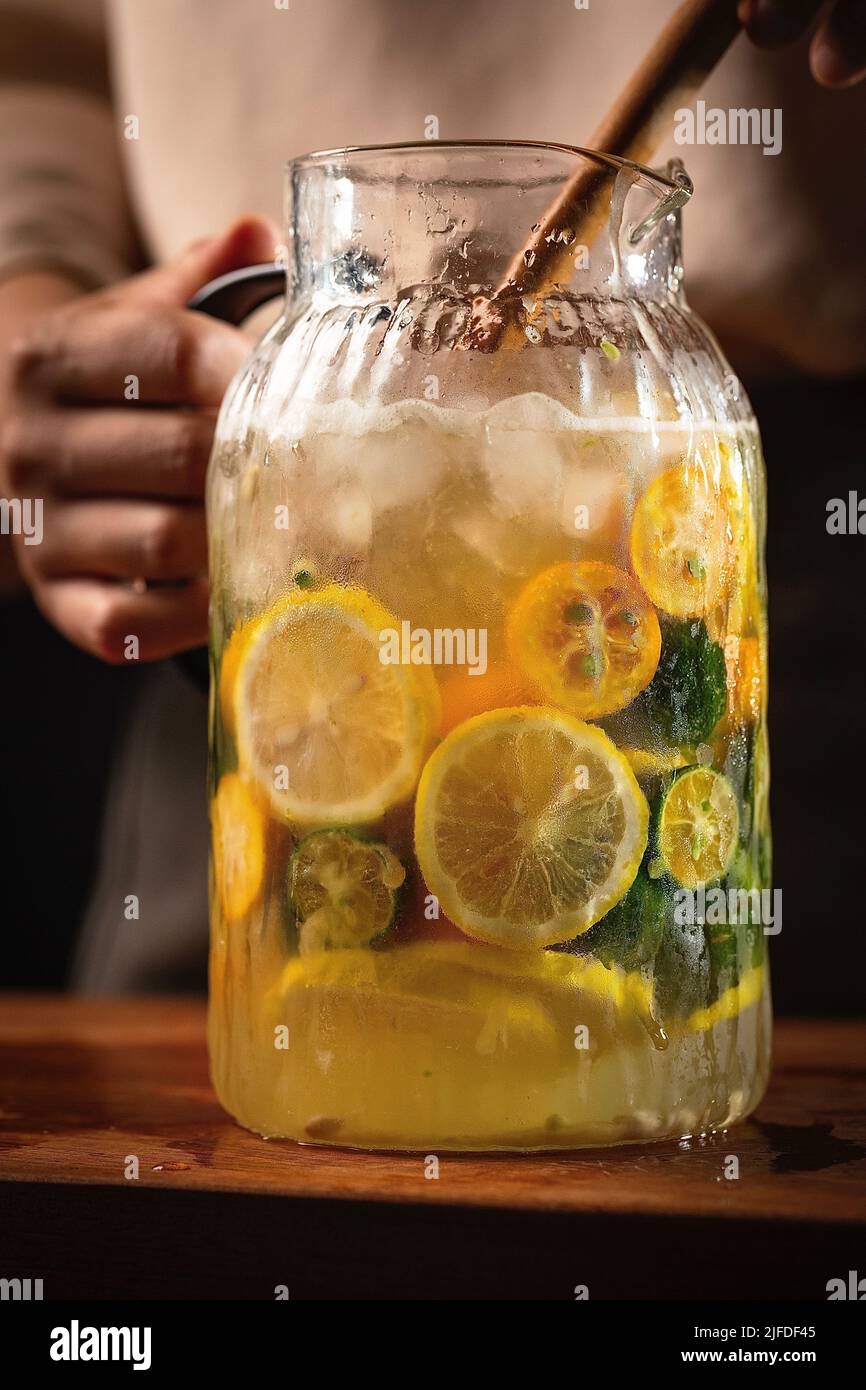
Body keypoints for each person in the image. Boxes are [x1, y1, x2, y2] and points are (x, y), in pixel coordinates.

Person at [1, 0, 864, 992]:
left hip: (810, 582)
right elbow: (35, 45)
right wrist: (33, 310)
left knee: (729, 1052)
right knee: (239, 1068)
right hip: (287, 631)